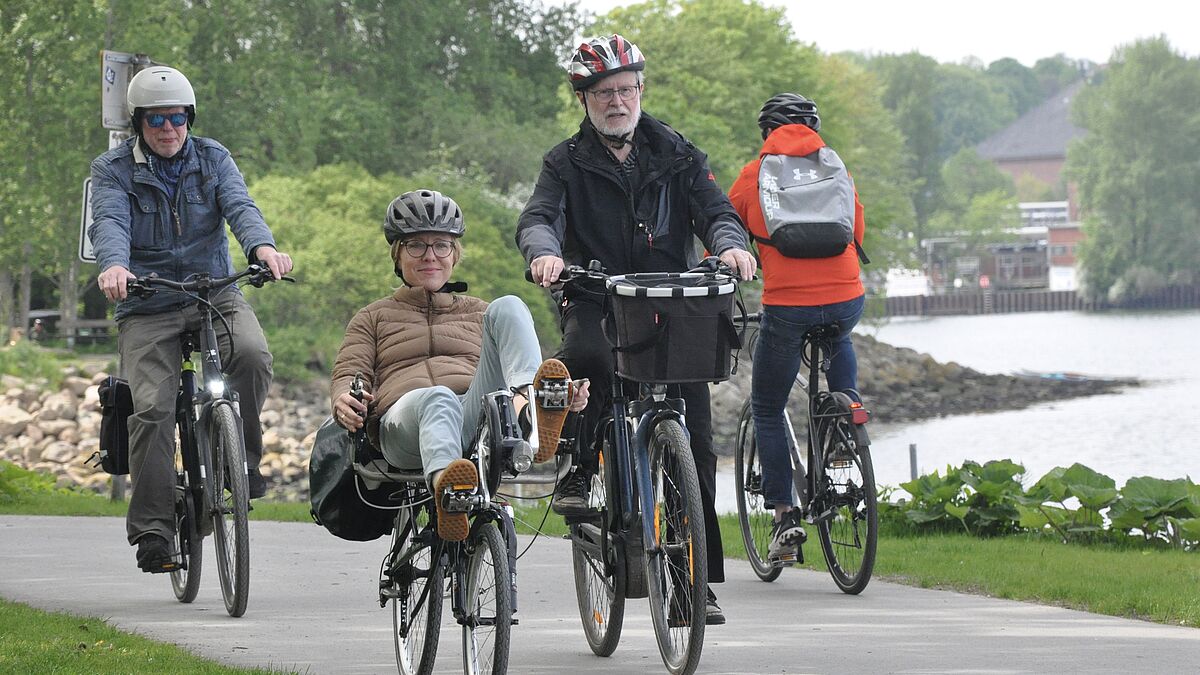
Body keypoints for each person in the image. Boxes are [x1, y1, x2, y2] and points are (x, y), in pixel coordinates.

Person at [517, 34, 756, 625]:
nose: (617, 102)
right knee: (586, 355)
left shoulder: (676, 152)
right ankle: (575, 462)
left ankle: (694, 584)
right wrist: (545, 253)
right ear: (585, 100)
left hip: (671, 305)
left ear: (641, 91)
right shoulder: (564, 162)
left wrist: (730, 245)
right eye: (603, 93)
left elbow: (716, 210)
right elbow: (539, 217)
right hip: (597, 296)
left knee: (696, 440)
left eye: (625, 90)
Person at [89, 65, 294, 573]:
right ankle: (154, 531)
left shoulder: (212, 157)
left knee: (251, 354)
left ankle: (240, 463)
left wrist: (263, 247)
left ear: (189, 118)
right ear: (138, 123)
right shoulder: (111, 169)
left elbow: (240, 206)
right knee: (153, 408)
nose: (168, 130)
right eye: (156, 120)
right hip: (147, 300)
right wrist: (115, 265)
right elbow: (109, 220)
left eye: (177, 118)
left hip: (213, 291)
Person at [330, 189, 589, 542]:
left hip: (474, 414)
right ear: (398, 255)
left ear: (455, 255)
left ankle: (532, 412)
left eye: (441, 245)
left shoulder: (479, 313)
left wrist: (568, 398)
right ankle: (448, 492)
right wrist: (345, 397)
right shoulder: (373, 317)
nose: (430, 256)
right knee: (436, 397)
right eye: (416, 246)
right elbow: (350, 371)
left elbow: (507, 361)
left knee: (509, 305)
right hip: (404, 426)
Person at [727, 93, 868, 563]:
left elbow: (726, 233)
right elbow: (856, 230)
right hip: (847, 295)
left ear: (767, 133)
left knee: (767, 406)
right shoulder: (835, 168)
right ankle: (845, 430)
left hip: (787, 305)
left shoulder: (754, 176)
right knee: (839, 336)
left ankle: (786, 516)